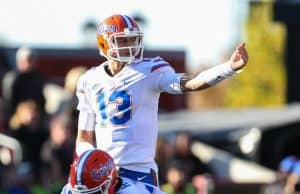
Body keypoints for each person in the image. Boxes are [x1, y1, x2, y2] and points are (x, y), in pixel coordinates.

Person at [73, 14, 248, 194]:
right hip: (103, 174)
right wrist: (94, 162)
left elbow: (191, 82)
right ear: (105, 43)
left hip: (139, 173)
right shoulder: (89, 80)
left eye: (133, 40)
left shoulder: (150, 70)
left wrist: (228, 68)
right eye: (123, 41)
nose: (131, 46)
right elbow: (84, 137)